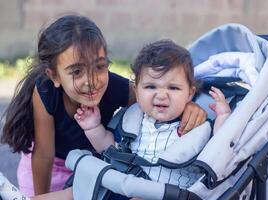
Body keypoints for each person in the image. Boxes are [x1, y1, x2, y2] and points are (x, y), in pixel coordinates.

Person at [0, 15, 207, 197]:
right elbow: (44, 154)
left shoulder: (119, 88)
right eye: (76, 71)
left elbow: (159, 100)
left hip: (93, 164)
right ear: (54, 76)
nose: (91, 81)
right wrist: (42, 195)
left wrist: (188, 106)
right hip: (51, 166)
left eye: (99, 67)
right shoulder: (45, 91)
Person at [74, 40, 231, 194]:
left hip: (170, 194)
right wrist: (93, 127)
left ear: (190, 93)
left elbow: (221, 147)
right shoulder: (135, 120)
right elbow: (110, 148)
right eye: (150, 87)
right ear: (136, 90)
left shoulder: (194, 126)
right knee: (77, 191)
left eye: (173, 88)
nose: (161, 95)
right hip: (126, 187)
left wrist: (223, 116)